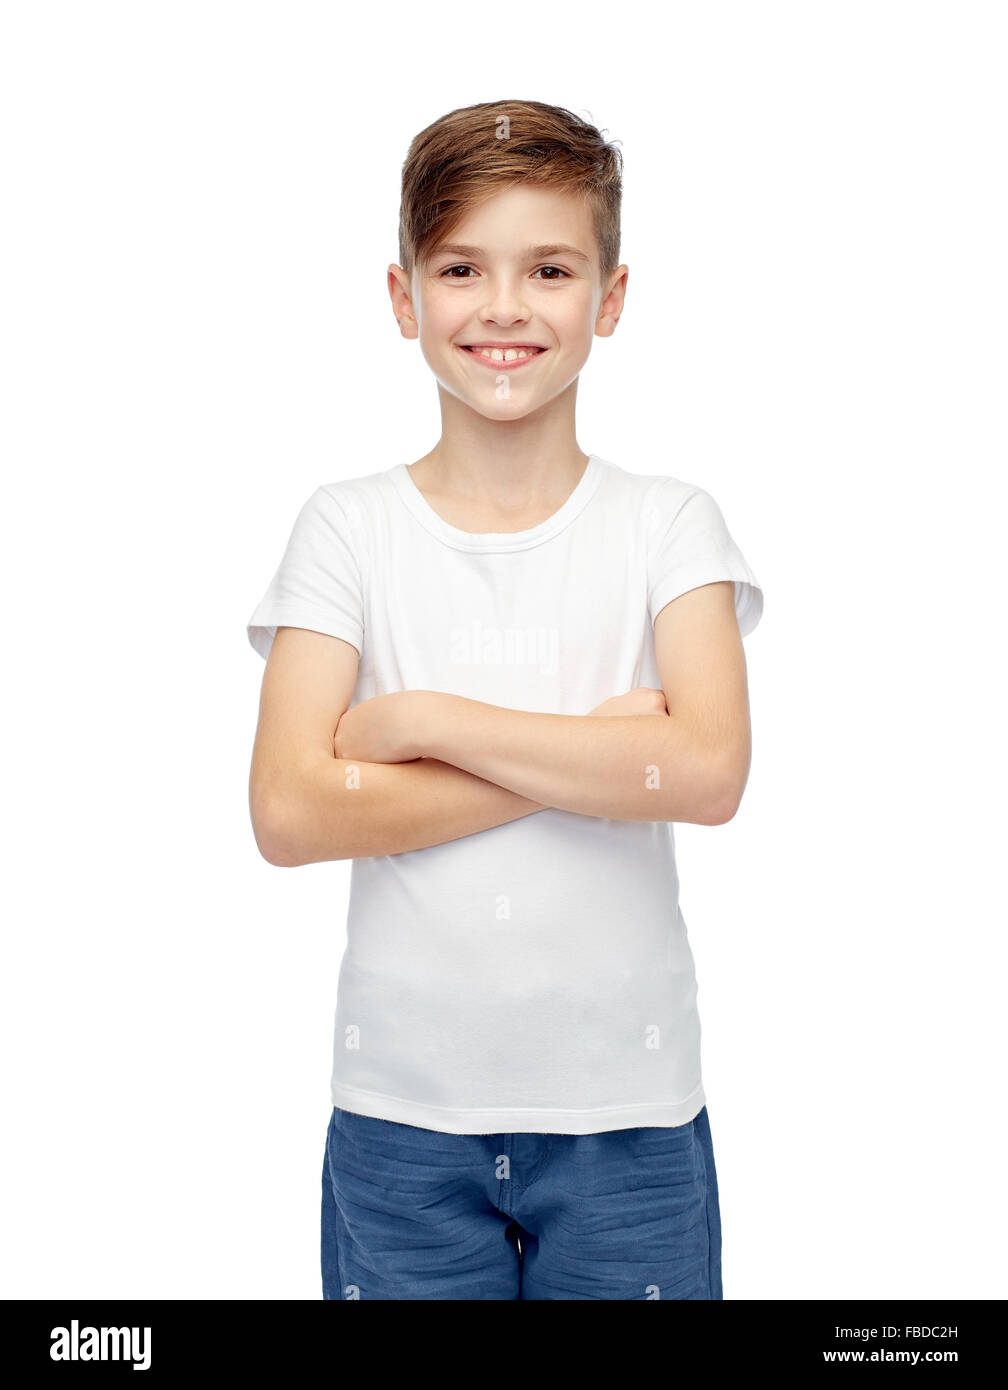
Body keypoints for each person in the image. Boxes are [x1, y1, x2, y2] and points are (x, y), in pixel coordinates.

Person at [246, 99, 764, 1300]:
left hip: (629, 1123)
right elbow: (288, 812)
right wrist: (590, 752)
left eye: (550, 268)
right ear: (403, 296)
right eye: (463, 267)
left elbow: (708, 774)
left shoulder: (668, 526)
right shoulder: (347, 529)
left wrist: (423, 724)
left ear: (613, 297)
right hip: (401, 1125)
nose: (505, 307)